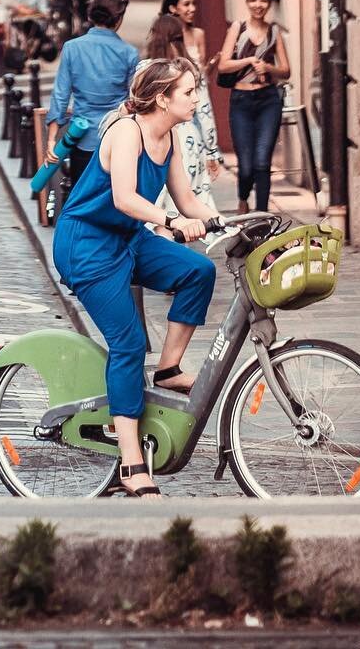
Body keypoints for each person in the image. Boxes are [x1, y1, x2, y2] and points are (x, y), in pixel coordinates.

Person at [51, 58, 220, 497]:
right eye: (189, 92)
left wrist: (228, 224)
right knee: (127, 343)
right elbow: (126, 198)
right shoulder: (126, 132)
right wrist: (169, 221)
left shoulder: (173, 138)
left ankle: (167, 371)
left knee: (198, 270)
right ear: (163, 98)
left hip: (127, 237)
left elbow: (188, 200)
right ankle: (131, 463)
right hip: (86, 245)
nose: (197, 99)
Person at [45, 0, 141, 190]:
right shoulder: (129, 54)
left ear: (90, 14)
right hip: (118, 139)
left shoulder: (72, 48)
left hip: (82, 138)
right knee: (115, 201)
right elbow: (134, 101)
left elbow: (60, 96)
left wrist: (52, 138)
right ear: (119, 19)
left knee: (82, 198)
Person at [216, 0, 290, 213]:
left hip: (268, 101)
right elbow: (224, 65)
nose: (258, 5)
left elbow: (286, 71)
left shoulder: (275, 31)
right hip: (241, 102)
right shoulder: (238, 29)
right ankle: (242, 197)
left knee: (262, 162)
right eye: (254, 0)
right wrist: (248, 61)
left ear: (269, 4)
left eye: (263, 0)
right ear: (247, 3)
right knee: (246, 166)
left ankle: (261, 217)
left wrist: (269, 68)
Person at [156, 0, 224, 206]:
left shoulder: (198, 35)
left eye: (194, 3)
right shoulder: (164, 57)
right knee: (190, 194)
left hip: (187, 120)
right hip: (185, 125)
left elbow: (201, 83)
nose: (192, 9)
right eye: (186, 4)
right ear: (172, 8)